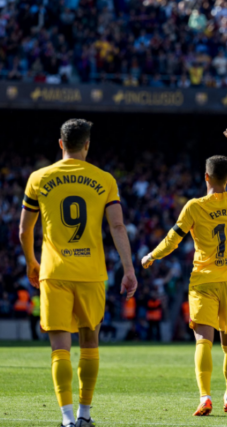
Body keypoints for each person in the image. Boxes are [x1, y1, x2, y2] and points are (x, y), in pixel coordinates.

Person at [19, 119, 138, 427]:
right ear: (87, 145)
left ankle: (67, 418)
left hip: (54, 272)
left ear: (60, 143)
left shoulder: (38, 178)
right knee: (90, 342)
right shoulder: (104, 179)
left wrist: (32, 262)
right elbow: (117, 226)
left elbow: (23, 230)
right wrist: (128, 268)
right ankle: (85, 414)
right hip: (91, 273)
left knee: (60, 348)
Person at [142, 128, 227, 416]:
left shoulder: (194, 207)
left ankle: (205, 397)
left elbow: (173, 239)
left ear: (206, 177)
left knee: (203, 340)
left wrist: (152, 256)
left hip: (203, 281)